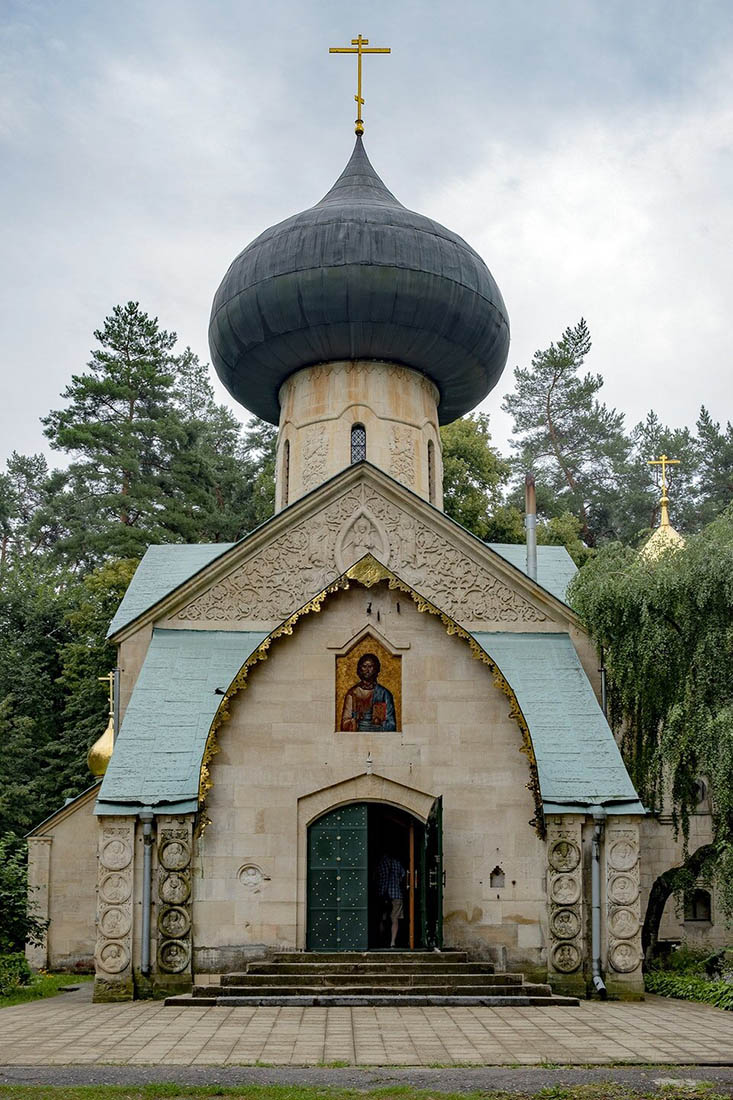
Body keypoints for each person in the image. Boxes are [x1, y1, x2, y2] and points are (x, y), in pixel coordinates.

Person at [340, 653, 396, 731]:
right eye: (364, 666)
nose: (367, 670)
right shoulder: (352, 693)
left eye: (370, 666)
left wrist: (379, 723)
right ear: (359, 669)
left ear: (376, 669)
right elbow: (344, 723)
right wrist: (353, 722)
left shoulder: (384, 694)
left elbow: (391, 724)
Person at [375, 850, 406, 948]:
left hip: (383, 894)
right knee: (395, 919)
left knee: (382, 918)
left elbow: (375, 876)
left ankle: (381, 940)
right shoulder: (397, 863)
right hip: (396, 894)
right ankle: (392, 942)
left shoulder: (380, 864)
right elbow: (403, 876)